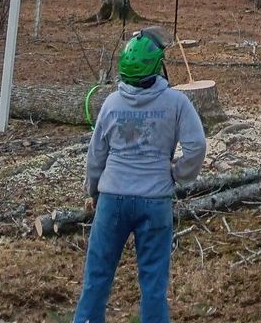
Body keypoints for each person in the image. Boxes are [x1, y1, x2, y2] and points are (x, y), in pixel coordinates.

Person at [72, 26, 207, 323]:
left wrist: (93, 191)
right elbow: (196, 146)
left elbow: (96, 156)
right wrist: (178, 174)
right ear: (158, 67)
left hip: (112, 200)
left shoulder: (112, 104)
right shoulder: (176, 102)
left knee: (96, 279)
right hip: (155, 201)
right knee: (153, 287)